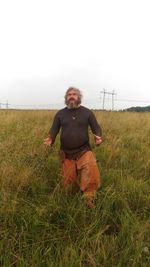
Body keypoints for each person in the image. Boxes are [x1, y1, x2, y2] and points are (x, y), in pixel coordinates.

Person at [44, 87, 102, 208]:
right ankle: (72, 202)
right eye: (69, 94)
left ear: (79, 97)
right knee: (69, 186)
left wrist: (98, 136)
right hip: (66, 153)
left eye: (74, 94)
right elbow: (54, 129)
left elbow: (96, 127)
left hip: (84, 150)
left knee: (91, 173)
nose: (71, 96)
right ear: (66, 98)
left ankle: (89, 199)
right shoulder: (60, 114)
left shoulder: (87, 112)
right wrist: (51, 138)